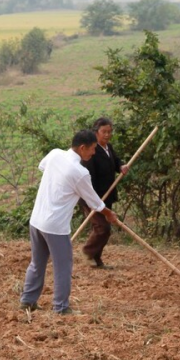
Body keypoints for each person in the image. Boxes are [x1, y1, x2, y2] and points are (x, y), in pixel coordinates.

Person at [19, 130, 118, 315]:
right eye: (92, 149)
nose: (94, 153)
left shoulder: (55, 154)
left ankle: (27, 301)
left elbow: (43, 166)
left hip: (37, 219)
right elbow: (95, 202)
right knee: (63, 266)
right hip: (55, 226)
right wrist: (108, 214)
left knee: (37, 262)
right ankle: (61, 307)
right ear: (82, 148)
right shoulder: (80, 172)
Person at [78, 117, 128, 268]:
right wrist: (94, 199)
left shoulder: (108, 148)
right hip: (92, 197)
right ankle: (88, 252)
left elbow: (116, 161)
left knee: (105, 229)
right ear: (96, 132)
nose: (107, 135)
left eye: (109, 132)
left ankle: (96, 260)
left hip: (107, 195)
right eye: (104, 132)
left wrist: (121, 167)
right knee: (102, 228)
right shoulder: (91, 151)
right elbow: (88, 177)